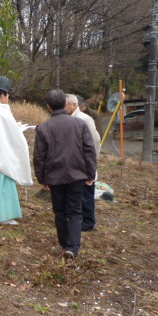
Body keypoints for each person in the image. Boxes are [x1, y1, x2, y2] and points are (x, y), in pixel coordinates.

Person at [33, 89, 97, 260]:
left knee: (60, 212)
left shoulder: (44, 127)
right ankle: (73, 247)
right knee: (75, 211)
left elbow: (39, 156)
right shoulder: (79, 124)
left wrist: (42, 178)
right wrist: (91, 174)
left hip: (55, 176)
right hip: (77, 175)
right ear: (64, 104)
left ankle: (63, 243)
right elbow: (89, 151)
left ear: (49, 107)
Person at [0, 76, 33, 226]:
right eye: (8, 95)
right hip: (0, 150)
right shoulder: (2, 111)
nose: (8, 98)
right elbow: (10, 132)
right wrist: (19, 132)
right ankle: (2, 216)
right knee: (1, 184)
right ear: (3, 95)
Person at [65, 94, 101, 231]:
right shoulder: (69, 119)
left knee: (86, 193)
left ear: (74, 105)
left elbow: (95, 141)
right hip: (74, 163)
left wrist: (92, 159)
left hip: (85, 162)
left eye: (66, 104)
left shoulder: (85, 119)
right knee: (77, 194)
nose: (63, 107)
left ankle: (88, 222)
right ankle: (78, 220)